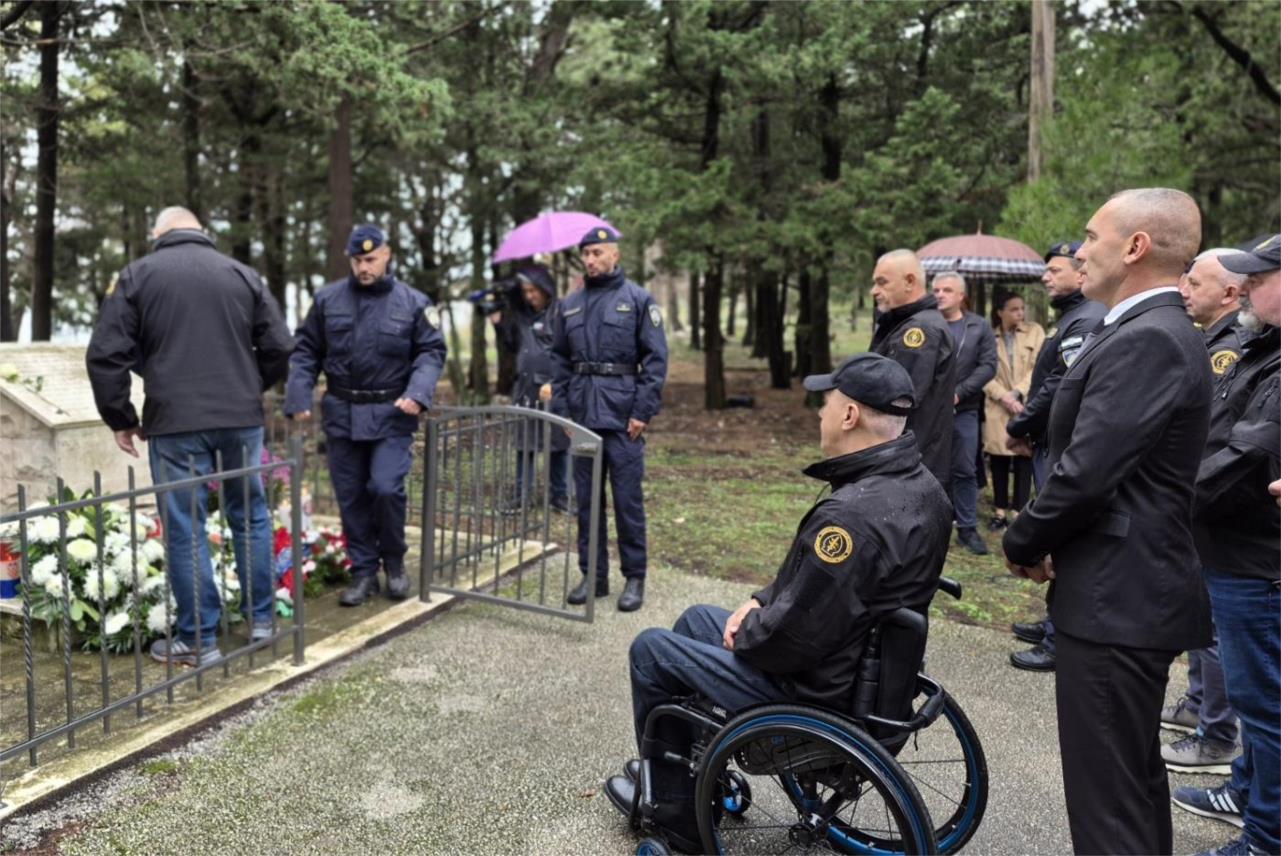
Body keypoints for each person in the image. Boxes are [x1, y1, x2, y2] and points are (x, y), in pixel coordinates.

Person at [602, 353, 951, 851]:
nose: (819, 412)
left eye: (827, 402)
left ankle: (677, 818)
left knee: (652, 650)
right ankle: (696, 775)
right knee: (696, 618)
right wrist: (757, 601)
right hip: (868, 676)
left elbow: (794, 637)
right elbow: (819, 589)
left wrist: (748, 630)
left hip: (816, 692)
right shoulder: (922, 488)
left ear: (850, 415)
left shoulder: (852, 518)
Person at [1002, 188, 1213, 856]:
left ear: (1134, 247)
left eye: (1090, 236)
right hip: (1117, 589)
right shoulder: (1138, 328)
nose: (1078, 249)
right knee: (1125, 786)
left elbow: (1088, 470)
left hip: (1118, 595)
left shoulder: (1148, 337)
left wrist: (1024, 537)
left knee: (1109, 804)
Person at [86, 206, 293, 667]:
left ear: (158, 232)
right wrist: (246, 388)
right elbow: (279, 345)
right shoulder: (242, 274)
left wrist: (120, 416)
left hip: (175, 421)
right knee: (251, 517)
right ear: (201, 230)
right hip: (240, 417)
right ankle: (262, 623)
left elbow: (106, 352)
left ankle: (198, 637)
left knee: (185, 525)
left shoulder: (138, 275)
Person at [1174, 234, 1279, 856]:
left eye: (1259, 277)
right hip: (1236, 549)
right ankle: (1245, 789)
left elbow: (1246, 456)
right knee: (1254, 698)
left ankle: (1266, 836)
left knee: (1264, 705)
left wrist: (1168, 501)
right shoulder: (1262, 344)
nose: (1246, 287)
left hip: (1256, 560)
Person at [285, 225, 446, 607]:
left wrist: (418, 392)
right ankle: (362, 571)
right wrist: (298, 394)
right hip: (343, 412)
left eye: (371, 259)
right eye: (357, 260)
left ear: (387, 255)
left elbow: (431, 352)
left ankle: (394, 562)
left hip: (392, 412)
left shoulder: (413, 302)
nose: (364, 267)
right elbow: (306, 350)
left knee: (386, 487)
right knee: (351, 495)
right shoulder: (328, 300)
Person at [1159, 247, 1252, 775]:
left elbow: (1213, 434)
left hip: (1212, 502)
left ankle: (1216, 737)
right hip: (1201, 500)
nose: (1184, 289)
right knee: (1200, 616)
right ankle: (1199, 705)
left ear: (1230, 294)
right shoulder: (1208, 339)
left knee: (1212, 625)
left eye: (1195, 282)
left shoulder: (1229, 347)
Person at [550, 227, 667, 613]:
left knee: (627, 502)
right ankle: (593, 575)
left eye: (598, 253)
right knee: (587, 501)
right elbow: (560, 362)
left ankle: (634, 577)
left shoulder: (637, 300)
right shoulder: (570, 305)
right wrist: (564, 413)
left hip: (622, 419)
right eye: (585, 254)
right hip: (583, 416)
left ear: (615, 255)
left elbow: (655, 361)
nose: (590, 260)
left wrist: (642, 412)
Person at [1004, 240, 1106, 672]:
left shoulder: (1085, 320)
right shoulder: (1076, 316)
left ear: (1080, 275)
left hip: (1060, 445)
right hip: (1051, 440)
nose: (1046, 276)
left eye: (1055, 270)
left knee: (1060, 540)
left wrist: (1020, 424)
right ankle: (1052, 621)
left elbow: (1059, 387)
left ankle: (1056, 638)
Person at [869, 249, 956, 492]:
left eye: (882, 282)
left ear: (909, 282)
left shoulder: (919, 331)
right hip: (904, 460)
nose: (874, 291)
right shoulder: (904, 323)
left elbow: (897, 399)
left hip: (908, 463)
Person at [489, 265, 570, 514]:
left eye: (534, 290)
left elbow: (567, 354)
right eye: (526, 291)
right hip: (524, 388)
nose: (530, 296)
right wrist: (499, 324)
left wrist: (555, 382)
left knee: (558, 443)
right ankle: (522, 496)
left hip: (551, 389)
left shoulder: (561, 313)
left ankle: (561, 496)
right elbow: (513, 343)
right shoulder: (522, 316)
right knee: (525, 443)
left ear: (546, 289)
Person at [932, 271, 997, 554]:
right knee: (930, 469)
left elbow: (988, 366)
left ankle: (967, 529)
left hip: (964, 410)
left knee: (964, 469)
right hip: (929, 413)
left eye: (946, 290)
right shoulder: (926, 324)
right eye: (935, 290)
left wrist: (959, 392)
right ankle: (931, 527)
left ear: (961, 295)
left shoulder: (978, 326)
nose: (939, 294)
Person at [982, 291, 1045, 531]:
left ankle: (1019, 511)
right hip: (997, 405)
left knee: (1023, 456)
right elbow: (984, 372)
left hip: (1026, 402)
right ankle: (999, 511)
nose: (1020, 313)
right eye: (1014, 309)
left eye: (1022, 308)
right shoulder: (989, 336)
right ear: (1000, 312)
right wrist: (1003, 396)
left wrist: (1018, 393)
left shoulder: (1035, 331)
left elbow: (1038, 366)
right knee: (998, 457)